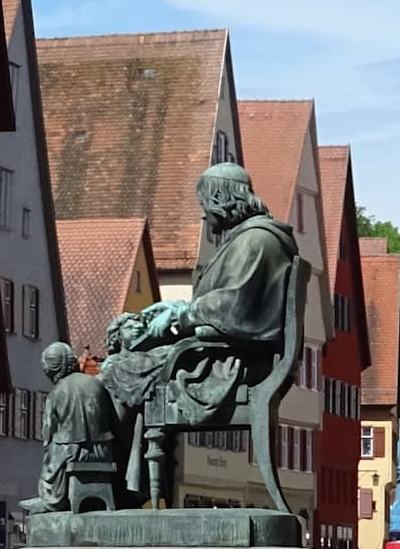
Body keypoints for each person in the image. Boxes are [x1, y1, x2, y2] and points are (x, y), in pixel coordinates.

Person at [99, 163, 299, 499]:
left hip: (230, 365)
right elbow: (229, 301)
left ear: (221, 199)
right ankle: (123, 483)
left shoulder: (257, 241)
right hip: (230, 355)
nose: (204, 214)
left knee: (116, 369)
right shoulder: (251, 238)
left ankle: (108, 483)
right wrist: (176, 309)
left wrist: (183, 313)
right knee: (127, 365)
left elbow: (234, 305)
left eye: (205, 203)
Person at [22, 342, 117, 514]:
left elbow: (47, 433)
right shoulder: (97, 384)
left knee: (51, 460)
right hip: (103, 451)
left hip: (72, 452)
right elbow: (112, 418)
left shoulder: (56, 393)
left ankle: (52, 501)